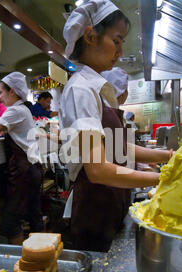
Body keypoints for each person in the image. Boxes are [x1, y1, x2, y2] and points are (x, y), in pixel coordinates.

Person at [60, 0, 173, 252]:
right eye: (118, 40)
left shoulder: (96, 89)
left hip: (112, 204)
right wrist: (162, 177)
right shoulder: (80, 90)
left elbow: (118, 149)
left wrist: (169, 156)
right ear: (90, 36)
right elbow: (98, 169)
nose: (120, 52)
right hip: (94, 210)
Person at [0, 72, 44, 245]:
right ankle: (39, 256)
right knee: (34, 215)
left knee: (9, 222)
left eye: (1, 92)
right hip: (32, 169)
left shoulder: (16, 110)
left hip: (25, 172)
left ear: (12, 92)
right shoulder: (22, 110)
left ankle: (20, 260)